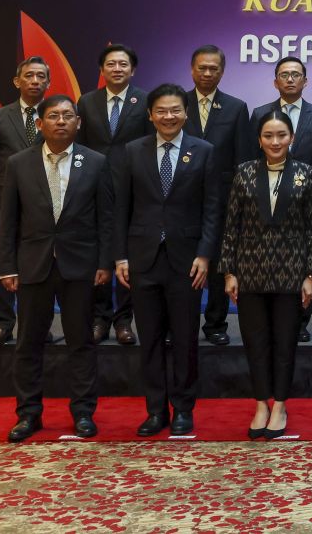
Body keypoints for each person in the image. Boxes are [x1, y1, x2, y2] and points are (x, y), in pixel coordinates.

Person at [0, 94, 113, 442]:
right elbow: (9, 221)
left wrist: (105, 263)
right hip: (33, 264)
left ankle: (82, 413)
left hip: (80, 266)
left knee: (81, 342)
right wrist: (7, 267)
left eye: (68, 116)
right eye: (53, 116)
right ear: (40, 124)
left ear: (78, 123)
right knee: (29, 343)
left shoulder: (96, 162)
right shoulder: (18, 163)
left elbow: (106, 218)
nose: (61, 121)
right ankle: (28, 414)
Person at [114, 84, 220, 437]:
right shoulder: (133, 151)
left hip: (187, 261)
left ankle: (184, 409)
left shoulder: (203, 151)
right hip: (143, 259)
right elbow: (121, 209)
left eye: (175, 110)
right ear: (150, 115)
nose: (169, 117)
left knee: (186, 338)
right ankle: (156, 410)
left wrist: (205, 254)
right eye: (161, 111)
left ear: (186, 113)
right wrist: (120, 256)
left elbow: (211, 210)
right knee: (152, 340)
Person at [220, 110, 312, 439]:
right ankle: (261, 402)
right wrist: (229, 271)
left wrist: (311, 274)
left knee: (285, 342)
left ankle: (279, 403)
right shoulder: (244, 172)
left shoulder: (306, 173)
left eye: (281, 135)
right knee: (256, 343)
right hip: (250, 272)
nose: (275, 141)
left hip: (291, 273)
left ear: (292, 138)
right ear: (259, 140)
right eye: (268, 136)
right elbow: (231, 225)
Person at [250, 56, 312, 343]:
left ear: (305, 81)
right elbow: (252, 160)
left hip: (303, 202)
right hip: (267, 200)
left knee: (300, 259)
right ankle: (270, 319)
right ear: (275, 82)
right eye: (284, 74)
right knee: (270, 257)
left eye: (296, 74)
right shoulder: (261, 112)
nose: (290, 79)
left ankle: (300, 322)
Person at [77, 43, 151, 346]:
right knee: (97, 255)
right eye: (111, 64)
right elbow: (78, 146)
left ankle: (123, 321)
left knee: (126, 254)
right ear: (102, 69)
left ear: (132, 70)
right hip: (93, 187)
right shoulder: (86, 101)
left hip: (132, 186)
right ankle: (99, 317)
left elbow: (150, 144)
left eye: (123, 64)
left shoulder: (145, 100)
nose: (117, 69)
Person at [182, 45, 253, 346]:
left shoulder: (236, 108)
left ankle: (215, 324)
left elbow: (244, 159)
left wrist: (239, 203)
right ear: (192, 69)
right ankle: (182, 323)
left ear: (222, 72)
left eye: (214, 68)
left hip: (222, 200)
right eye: (202, 67)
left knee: (219, 264)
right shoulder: (177, 103)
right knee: (185, 264)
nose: (208, 73)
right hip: (182, 200)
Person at [0, 56, 50, 346]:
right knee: (3, 265)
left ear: (48, 82)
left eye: (41, 76)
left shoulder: (57, 114)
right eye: (29, 76)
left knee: (39, 270)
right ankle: (3, 323)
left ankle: (37, 328)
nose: (35, 81)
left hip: (43, 207)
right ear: (17, 81)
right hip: (4, 204)